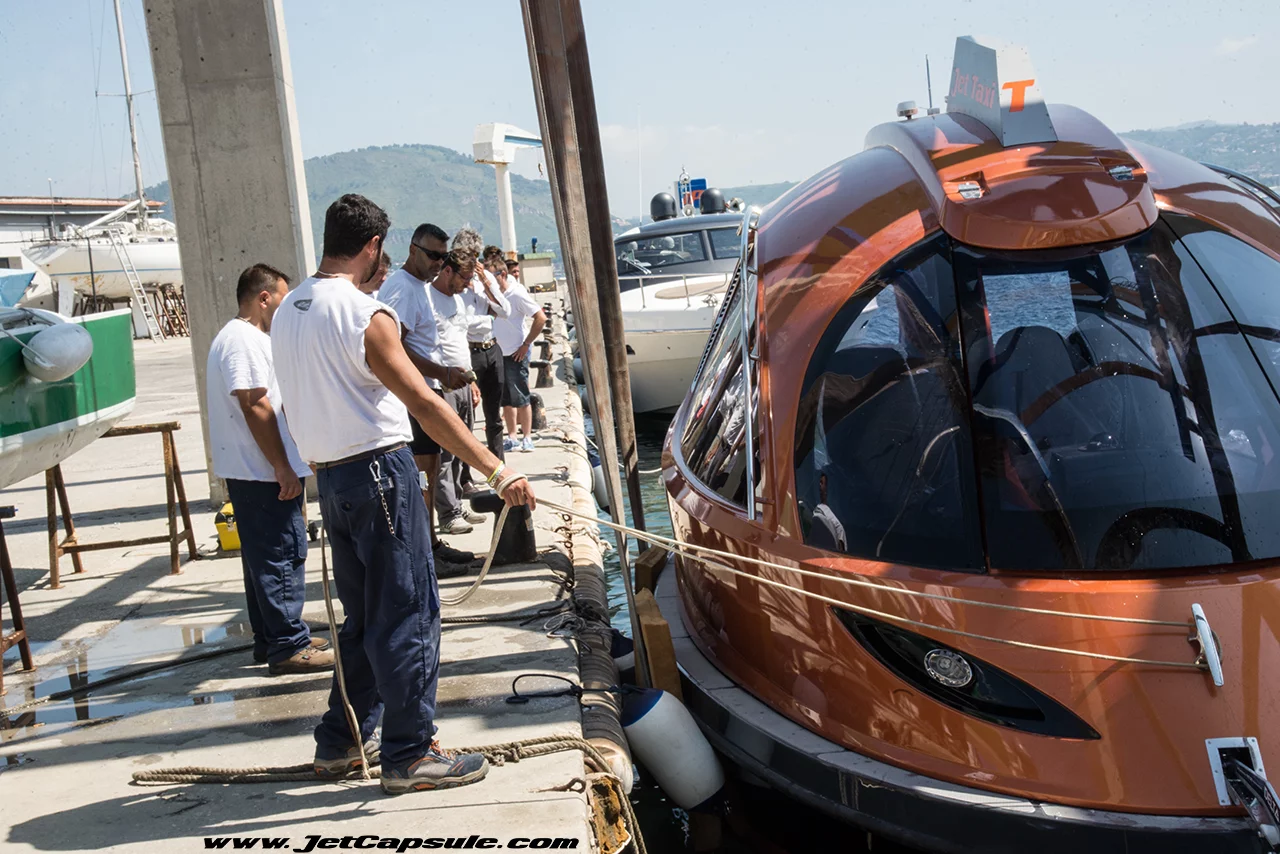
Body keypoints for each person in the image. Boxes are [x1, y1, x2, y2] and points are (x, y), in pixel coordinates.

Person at [271, 193, 536, 795]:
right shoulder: (367, 315)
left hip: (332, 479)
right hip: (379, 475)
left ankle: (340, 742)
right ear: (372, 248)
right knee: (410, 612)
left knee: (364, 619)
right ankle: (410, 753)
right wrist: (496, 470)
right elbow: (423, 401)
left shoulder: (288, 308)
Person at [205, 264, 334, 675]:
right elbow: (255, 403)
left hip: (255, 469)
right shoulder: (242, 340)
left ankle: (273, 635)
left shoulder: (245, 337)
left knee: (264, 559)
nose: (285, 307)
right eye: (281, 299)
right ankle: (287, 645)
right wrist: (282, 465)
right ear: (264, 297)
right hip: (260, 471)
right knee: (281, 554)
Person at [375, 223, 475, 571]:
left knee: (430, 470)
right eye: (432, 255)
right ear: (413, 250)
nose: (438, 263)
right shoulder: (402, 288)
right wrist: (442, 373)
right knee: (421, 475)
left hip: (428, 389)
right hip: (412, 395)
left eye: (443, 257)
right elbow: (393, 347)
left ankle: (430, 543)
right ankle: (422, 552)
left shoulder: (419, 288)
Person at [427, 250, 489, 535]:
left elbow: (459, 340)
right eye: (464, 277)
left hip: (464, 382)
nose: (467, 284)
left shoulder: (459, 300)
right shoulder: (427, 298)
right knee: (444, 452)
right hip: (441, 384)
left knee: (462, 447)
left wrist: (472, 381)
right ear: (448, 271)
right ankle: (448, 513)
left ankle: (455, 503)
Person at [451, 231, 509, 488]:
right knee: (467, 419)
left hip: (491, 349)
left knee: (494, 416)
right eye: (470, 256)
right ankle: (465, 476)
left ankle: (499, 467)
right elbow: (462, 323)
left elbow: (505, 310)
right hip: (469, 351)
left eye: (476, 257)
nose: (474, 262)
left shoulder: (482, 279)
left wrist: (486, 281)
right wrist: (487, 317)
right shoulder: (455, 284)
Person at [492, 258, 546, 452]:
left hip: (516, 352)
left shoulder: (516, 294)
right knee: (505, 397)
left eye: (492, 276)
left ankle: (527, 437)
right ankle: (512, 436)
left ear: (502, 275)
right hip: (498, 353)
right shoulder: (490, 295)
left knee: (521, 395)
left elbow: (540, 317)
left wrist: (526, 344)